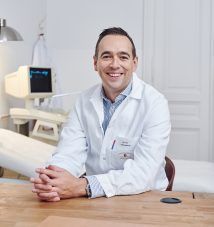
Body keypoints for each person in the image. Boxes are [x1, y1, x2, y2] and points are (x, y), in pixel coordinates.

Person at [31, 27, 171, 201]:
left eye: (123, 56)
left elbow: (144, 173)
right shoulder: (84, 101)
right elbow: (69, 152)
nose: (114, 64)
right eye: (106, 56)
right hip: (97, 200)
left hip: (145, 200)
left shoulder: (155, 104)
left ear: (134, 63)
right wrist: (52, 180)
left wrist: (83, 186)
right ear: (95, 63)